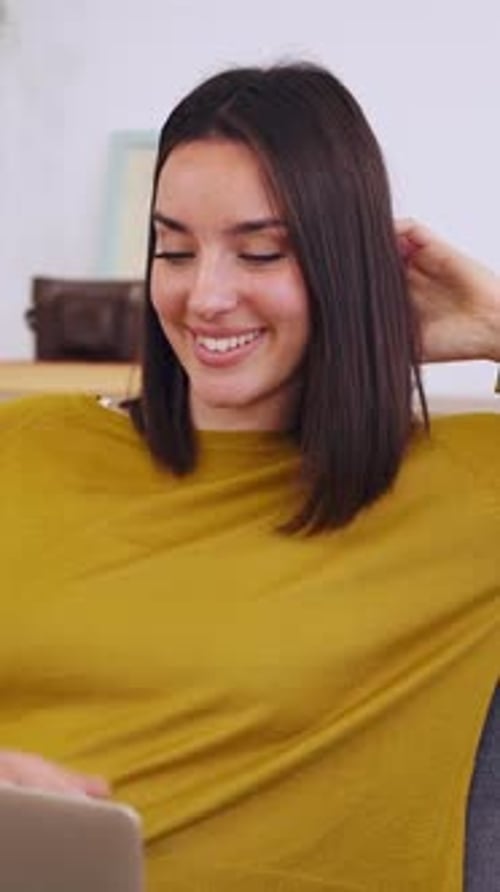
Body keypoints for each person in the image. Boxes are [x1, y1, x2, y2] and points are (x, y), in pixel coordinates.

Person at [0, 62, 498, 891]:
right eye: (174, 250)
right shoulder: (23, 445)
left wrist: (492, 323)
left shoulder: (469, 490)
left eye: (260, 252)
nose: (205, 296)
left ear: (346, 267)